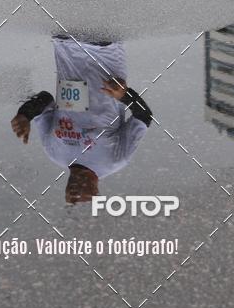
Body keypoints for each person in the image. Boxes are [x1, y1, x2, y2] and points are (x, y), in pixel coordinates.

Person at [11, 33, 153, 204]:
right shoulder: (114, 160)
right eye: (80, 199)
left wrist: (25, 114)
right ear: (96, 191)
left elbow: (45, 99)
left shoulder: (54, 153)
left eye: (70, 199)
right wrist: (125, 95)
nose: (73, 195)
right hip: (104, 48)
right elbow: (143, 116)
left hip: (64, 43)